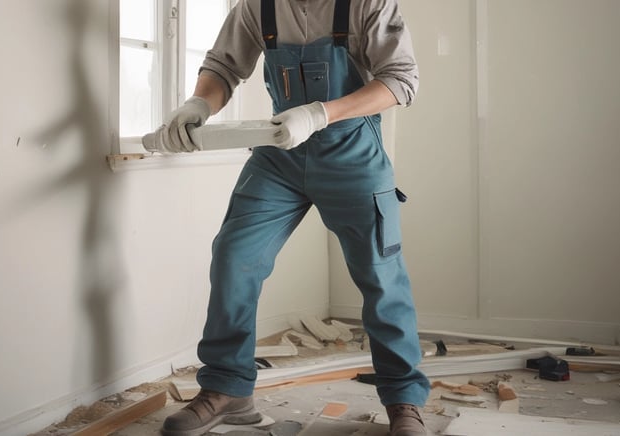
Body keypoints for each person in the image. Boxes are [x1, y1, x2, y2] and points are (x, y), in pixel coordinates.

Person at [143, 1, 431, 434]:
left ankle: (404, 401)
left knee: (380, 274)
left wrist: (320, 113)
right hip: (280, 153)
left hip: (352, 152)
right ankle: (228, 389)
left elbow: (400, 81)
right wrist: (198, 104)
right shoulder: (257, 7)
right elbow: (224, 66)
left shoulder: (367, 5)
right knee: (234, 255)